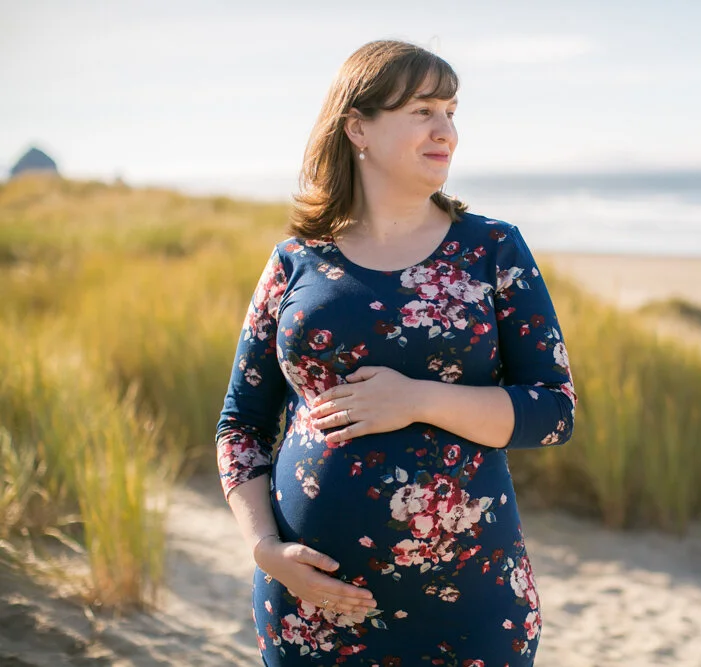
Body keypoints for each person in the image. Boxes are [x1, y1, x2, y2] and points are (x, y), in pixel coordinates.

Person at [216, 39, 577, 666]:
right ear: (357, 126)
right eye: (422, 112)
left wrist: (416, 399)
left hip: (470, 600)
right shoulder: (295, 261)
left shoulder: (492, 248)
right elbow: (241, 425)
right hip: (313, 605)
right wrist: (265, 549)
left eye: (452, 111)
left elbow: (553, 411)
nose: (447, 132)